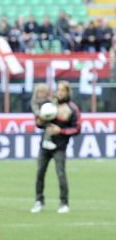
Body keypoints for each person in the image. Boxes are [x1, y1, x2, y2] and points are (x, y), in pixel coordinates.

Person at [31, 81, 81, 214]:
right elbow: (40, 124)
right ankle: (38, 201)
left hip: (60, 147)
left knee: (61, 174)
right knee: (40, 173)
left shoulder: (72, 108)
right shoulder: (49, 105)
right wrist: (39, 121)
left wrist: (61, 131)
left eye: (63, 90)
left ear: (68, 92)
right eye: (58, 90)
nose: (60, 92)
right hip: (44, 145)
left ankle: (64, 203)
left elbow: (77, 128)